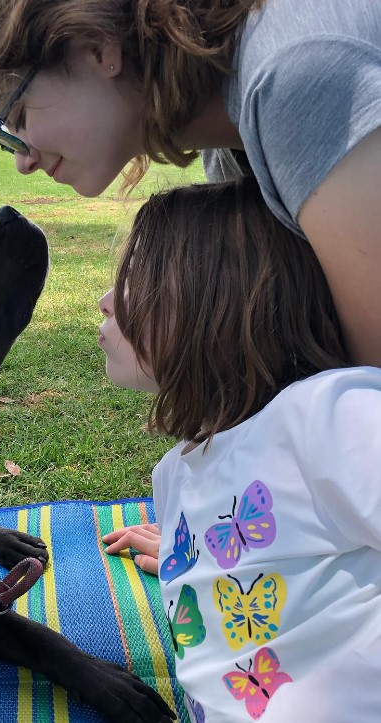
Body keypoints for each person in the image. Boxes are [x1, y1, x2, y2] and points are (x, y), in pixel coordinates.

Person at [0, 0, 381, 368]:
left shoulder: (293, 75)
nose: (22, 160)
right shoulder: (227, 144)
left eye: (17, 117)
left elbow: (367, 406)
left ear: (97, 47)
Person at [98, 175, 381, 721]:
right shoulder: (176, 477)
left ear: (215, 296)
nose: (105, 301)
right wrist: (202, 558)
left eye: (132, 278)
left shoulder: (324, 418)